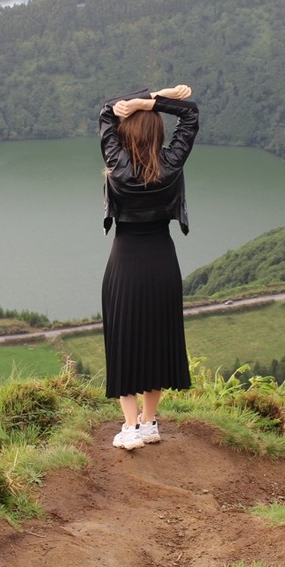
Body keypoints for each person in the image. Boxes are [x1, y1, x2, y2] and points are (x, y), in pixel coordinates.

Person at [99, 84, 199, 450]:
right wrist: (155, 100)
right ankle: (149, 422)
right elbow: (190, 114)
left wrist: (142, 99)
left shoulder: (118, 167)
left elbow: (107, 111)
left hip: (124, 263)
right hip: (162, 261)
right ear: (158, 133)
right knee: (157, 341)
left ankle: (129, 428)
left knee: (124, 340)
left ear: (125, 135)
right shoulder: (171, 165)